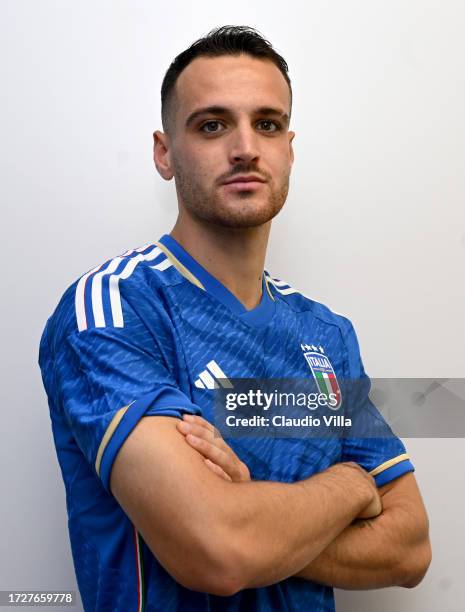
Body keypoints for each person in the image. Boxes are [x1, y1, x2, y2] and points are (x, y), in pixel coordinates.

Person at [38, 25, 431, 612]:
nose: (245, 146)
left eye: (267, 124)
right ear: (164, 153)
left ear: (288, 150)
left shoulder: (327, 334)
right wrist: (350, 487)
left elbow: (410, 549)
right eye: (212, 125)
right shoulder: (115, 309)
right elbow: (217, 551)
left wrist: (256, 513)